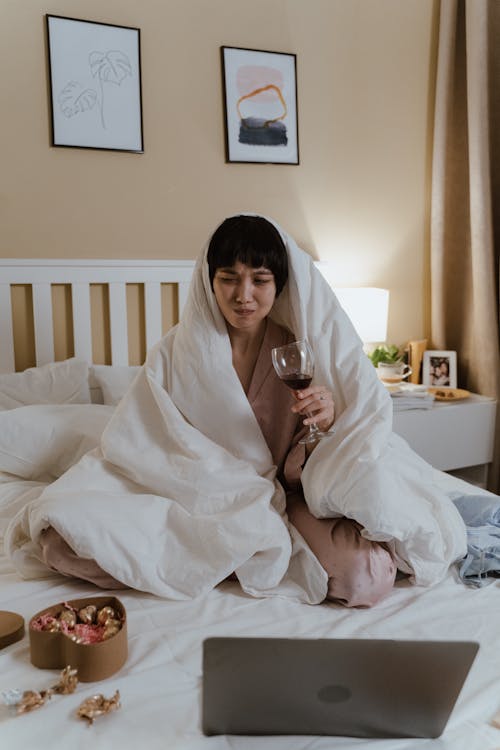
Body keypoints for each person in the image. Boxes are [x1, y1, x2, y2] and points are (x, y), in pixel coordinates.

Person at [39, 215, 399, 606]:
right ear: (210, 281)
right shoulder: (174, 353)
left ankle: (223, 552)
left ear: (279, 286)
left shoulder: (301, 353)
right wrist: (219, 487)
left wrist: (324, 424)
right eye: (229, 278)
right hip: (199, 494)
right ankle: (236, 547)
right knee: (62, 538)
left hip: (288, 497)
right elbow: (144, 441)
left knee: (367, 576)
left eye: (259, 280)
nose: (243, 295)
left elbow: (313, 470)